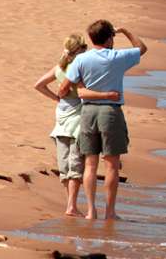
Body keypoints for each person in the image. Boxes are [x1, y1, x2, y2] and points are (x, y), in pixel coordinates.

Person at [60, 20, 147, 220]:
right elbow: (141, 48)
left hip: (88, 111)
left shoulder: (81, 59)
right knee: (111, 164)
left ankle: (91, 210)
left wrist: (83, 90)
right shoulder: (116, 56)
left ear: (90, 38)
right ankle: (110, 211)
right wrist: (124, 29)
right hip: (110, 111)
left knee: (90, 163)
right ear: (109, 38)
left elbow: (65, 87)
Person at [34, 33, 120, 217]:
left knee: (65, 163)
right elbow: (82, 92)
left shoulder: (60, 67)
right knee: (75, 164)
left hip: (61, 118)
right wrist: (107, 96)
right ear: (78, 51)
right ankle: (72, 206)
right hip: (78, 118)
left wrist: (57, 99)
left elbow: (39, 85)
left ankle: (71, 204)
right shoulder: (78, 69)